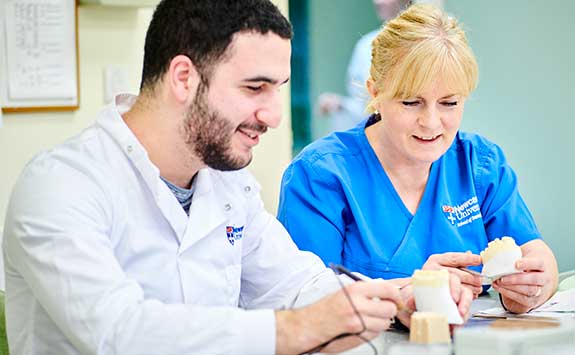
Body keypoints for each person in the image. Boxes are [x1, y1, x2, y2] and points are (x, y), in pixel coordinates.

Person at [2, 1, 472, 354]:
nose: (271, 115)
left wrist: (398, 298)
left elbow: (300, 285)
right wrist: (298, 328)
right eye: (254, 88)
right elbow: (118, 333)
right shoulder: (61, 186)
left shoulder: (227, 186)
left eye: (278, 90)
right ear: (184, 78)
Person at [278, 3, 558, 314]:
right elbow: (305, 298)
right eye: (411, 102)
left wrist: (536, 283)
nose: (431, 122)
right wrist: (419, 288)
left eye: (449, 103)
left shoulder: (480, 165)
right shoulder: (320, 176)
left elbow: (533, 250)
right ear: (375, 93)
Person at [318, 0, 412, 132]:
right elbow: (364, 104)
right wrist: (341, 105)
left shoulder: (424, 43)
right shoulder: (366, 45)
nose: (378, 2)